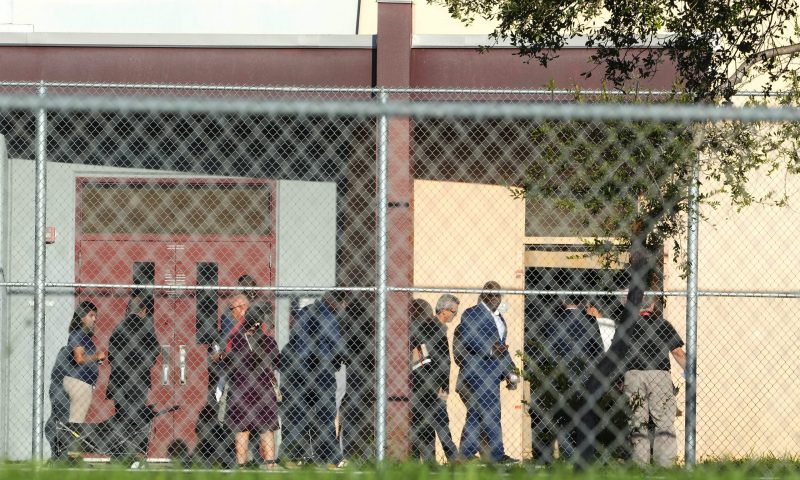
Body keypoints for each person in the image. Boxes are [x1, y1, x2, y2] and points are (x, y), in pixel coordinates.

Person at [529, 295, 605, 465]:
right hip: (585, 376)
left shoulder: (551, 322)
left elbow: (544, 351)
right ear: (583, 302)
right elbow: (599, 351)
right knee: (584, 415)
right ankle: (582, 458)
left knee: (561, 417)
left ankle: (562, 456)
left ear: (563, 302)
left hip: (559, 376)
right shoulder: (591, 322)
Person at [279, 291, 347, 467]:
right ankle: (330, 459)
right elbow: (338, 346)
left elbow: (293, 339)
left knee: (298, 415)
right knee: (325, 415)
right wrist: (341, 359)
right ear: (336, 303)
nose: (343, 309)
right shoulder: (329, 316)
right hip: (320, 370)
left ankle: (293, 457)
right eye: (342, 305)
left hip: (296, 370)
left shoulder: (305, 311)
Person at [455, 281, 519, 463]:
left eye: (498, 295)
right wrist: (490, 350)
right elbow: (468, 338)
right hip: (477, 371)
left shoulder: (499, 317)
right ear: (483, 295)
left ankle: (465, 456)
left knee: (476, 414)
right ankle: (497, 455)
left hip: (493, 373)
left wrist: (511, 372)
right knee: (492, 412)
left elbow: (502, 348)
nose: (495, 298)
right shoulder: (472, 313)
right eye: (491, 294)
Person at [624, 296, 686, 467]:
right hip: (659, 373)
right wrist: (691, 370)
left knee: (638, 422)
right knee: (664, 421)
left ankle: (640, 466)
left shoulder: (627, 326)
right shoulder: (662, 324)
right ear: (652, 305)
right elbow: (678, 353)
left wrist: (619, 379)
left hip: (633, 374)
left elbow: (618, 354)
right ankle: (665, 466)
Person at [221, 303, 280, 468]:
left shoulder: (235, 341)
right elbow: (278, 363)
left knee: (242, 430)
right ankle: (270, 465)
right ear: (261, 323)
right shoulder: (269, 342)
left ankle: (241, 467)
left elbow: (227, 365)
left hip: (241, 389)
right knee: (266, 429)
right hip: (264, 390)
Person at [106, 295, 160, 458]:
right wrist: (146, 363)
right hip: (139, 382)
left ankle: (120, 454)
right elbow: (155, 350)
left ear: (128, 309)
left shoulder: (119, 327)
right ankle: (137, 454)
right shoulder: (146, 326)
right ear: (143, 310)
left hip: (120, 381)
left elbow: (112, 355)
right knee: (137, 418)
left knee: (121, 417)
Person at [409, 295, 460, 463]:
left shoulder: (428, 328)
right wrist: (443, 388)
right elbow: (440, 362)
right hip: (431, 386)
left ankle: (426, 462)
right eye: (454, 311)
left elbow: (421, 357)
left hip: (422, 385)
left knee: (425, 426)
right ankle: (453, 459)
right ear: (444, 311)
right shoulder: (434, 329)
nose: (455, 315)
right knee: (440, 423)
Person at [63, 301, 106, 423]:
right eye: (91, 315)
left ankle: (70, 439)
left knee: (75, 421)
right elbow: (79, 358)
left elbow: (84, 359)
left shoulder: (83, 335)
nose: (94, 319)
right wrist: (96, 356)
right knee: (76, 422)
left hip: (81, 382)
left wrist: (97, 361)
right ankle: (71, 441)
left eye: (95, 316)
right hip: (79, 383)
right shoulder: (79, 334)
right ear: (82, 315)